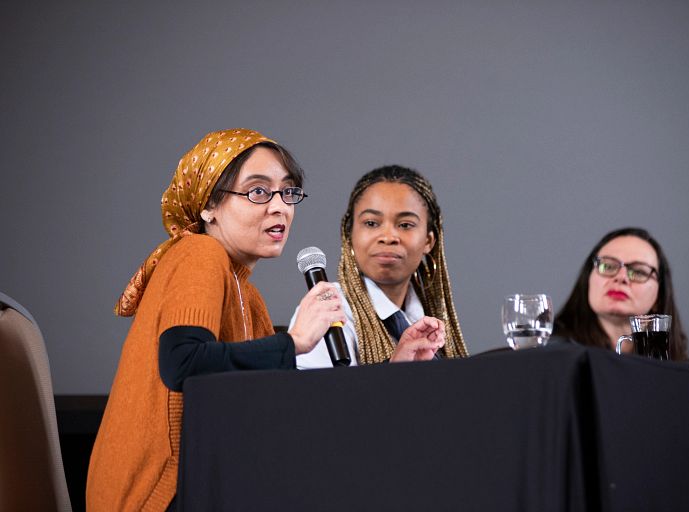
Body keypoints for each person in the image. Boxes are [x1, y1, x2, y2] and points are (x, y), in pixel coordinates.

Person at [86, 129, 345, 511]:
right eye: (258, 192)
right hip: (160, 496)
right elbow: (182, 363)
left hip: (210, 482)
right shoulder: (198, 254)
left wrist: (393, 369)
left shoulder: (249, 296)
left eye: (288, 192)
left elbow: (275, 405)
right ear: (208, 206)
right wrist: (292, 342)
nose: (280, 207)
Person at [294, 165, 469, 368]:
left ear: (429, 241)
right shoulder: (325, 313)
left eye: (405, 225)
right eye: (371, 223)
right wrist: (392, 370)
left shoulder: (429, 319)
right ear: (349, 235)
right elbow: (318, 397)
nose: (388, 237)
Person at [553, 227, 689, 360]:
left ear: (659, 297)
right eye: (608, 266)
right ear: (587, 280)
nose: (621, 277)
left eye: (639, 272)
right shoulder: (548, 354)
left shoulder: (682, 376)